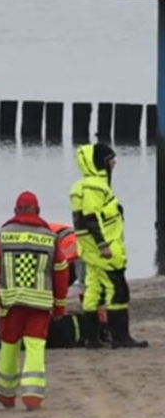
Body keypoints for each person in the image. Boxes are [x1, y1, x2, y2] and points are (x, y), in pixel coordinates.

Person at [0, 191, 70, 411]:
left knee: (9, 345)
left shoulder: (2, 235)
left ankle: (6, 393)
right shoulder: (51, 238)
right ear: (38, 211)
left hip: (11, 303)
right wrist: (60, 306)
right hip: (39, 305)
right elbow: (61, 272)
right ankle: (33, 396)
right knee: (35, 347)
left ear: (16, 211)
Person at [70, 144, 148, 349]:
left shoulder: (85, 185)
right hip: (103, 249)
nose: (114, 163)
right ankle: (120, 337)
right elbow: (90, 217)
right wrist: (103, 245)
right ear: (101, 162)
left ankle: (92, 339)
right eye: (110, 160)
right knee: (118, 290)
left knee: (94, 290)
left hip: (89, 248)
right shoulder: (95, 186)